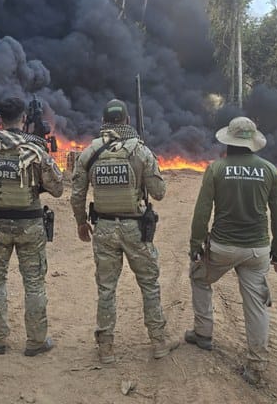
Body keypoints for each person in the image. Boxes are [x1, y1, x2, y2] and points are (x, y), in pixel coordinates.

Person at [70, 99, 177, 363]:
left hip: (103, 227)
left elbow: (77, 194)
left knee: (106, 288)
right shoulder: (140, 151)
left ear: (104, 121)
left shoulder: (89, 152)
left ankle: (106, 347)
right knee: (149, 285)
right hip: (135, 229)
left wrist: (81, 222)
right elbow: (159, 193)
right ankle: (158, 342)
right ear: (128, 121)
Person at [187, 116, 277, 386]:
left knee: (199, 277)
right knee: (256, 304)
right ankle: (256, 365)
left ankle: (203, 334)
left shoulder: (216, 169)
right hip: (257, 251)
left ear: (228, 142)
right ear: (252, 143)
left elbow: (202, 212)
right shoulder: (268, 170)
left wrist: (195, 245)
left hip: (222, 247)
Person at [0, 97, 64, 357]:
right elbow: (57, 188)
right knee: (34, 283)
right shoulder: (35, 149)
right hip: (30, 225)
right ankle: (36, 342)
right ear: (23, 119)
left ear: (0, 119)